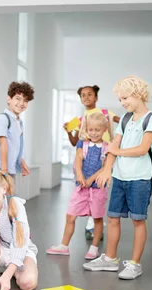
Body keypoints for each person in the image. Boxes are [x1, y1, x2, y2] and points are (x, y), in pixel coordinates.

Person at [83, 75, 152, 280]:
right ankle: (110, 259)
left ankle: (135, 264)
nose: (122, 103)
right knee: (113, 218)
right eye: (120, 99)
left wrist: (117, 152)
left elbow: (143, 149)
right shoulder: (125, 119)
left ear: (138, 95)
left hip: (140, 179)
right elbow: (112, 147)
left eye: (125, 98)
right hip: (119, 177)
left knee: (138, 221)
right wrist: (108, 169)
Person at [47, 112, 112, 260]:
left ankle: (94, 248)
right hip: (81, 188)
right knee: (70, 216)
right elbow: (78, 160)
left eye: (98, 130)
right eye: (91, 130)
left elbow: (105, 167)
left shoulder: (107, 147)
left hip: (97, 189)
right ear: (86, 129)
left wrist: (91, 179)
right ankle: (64, 246)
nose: (94, 133)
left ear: (104, 130)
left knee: (97, 218)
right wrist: (80, 175)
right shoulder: (82, 143)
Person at [63, 85, 120, 240]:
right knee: (86, 192)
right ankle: (92, 226)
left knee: (98, 193)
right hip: (88, 157)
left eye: (90, 94)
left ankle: (93, 226)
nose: (86, 97)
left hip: (104, 158)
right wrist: (69, 130)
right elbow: (75, 142)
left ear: (96, 97)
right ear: (80, 99)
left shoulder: (105, 113)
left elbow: (122, 123)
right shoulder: (79, 120)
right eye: (83, 95)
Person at [0, 81, 35, 178]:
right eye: (18, 99)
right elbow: (3, 144)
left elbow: (14, 147)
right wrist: (4, 172)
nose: (21, 103)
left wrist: (21, 162)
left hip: (8, 168)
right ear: (9, 99)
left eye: (25, 101)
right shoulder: (2, 119)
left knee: (7, 193)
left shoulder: (18, 122)